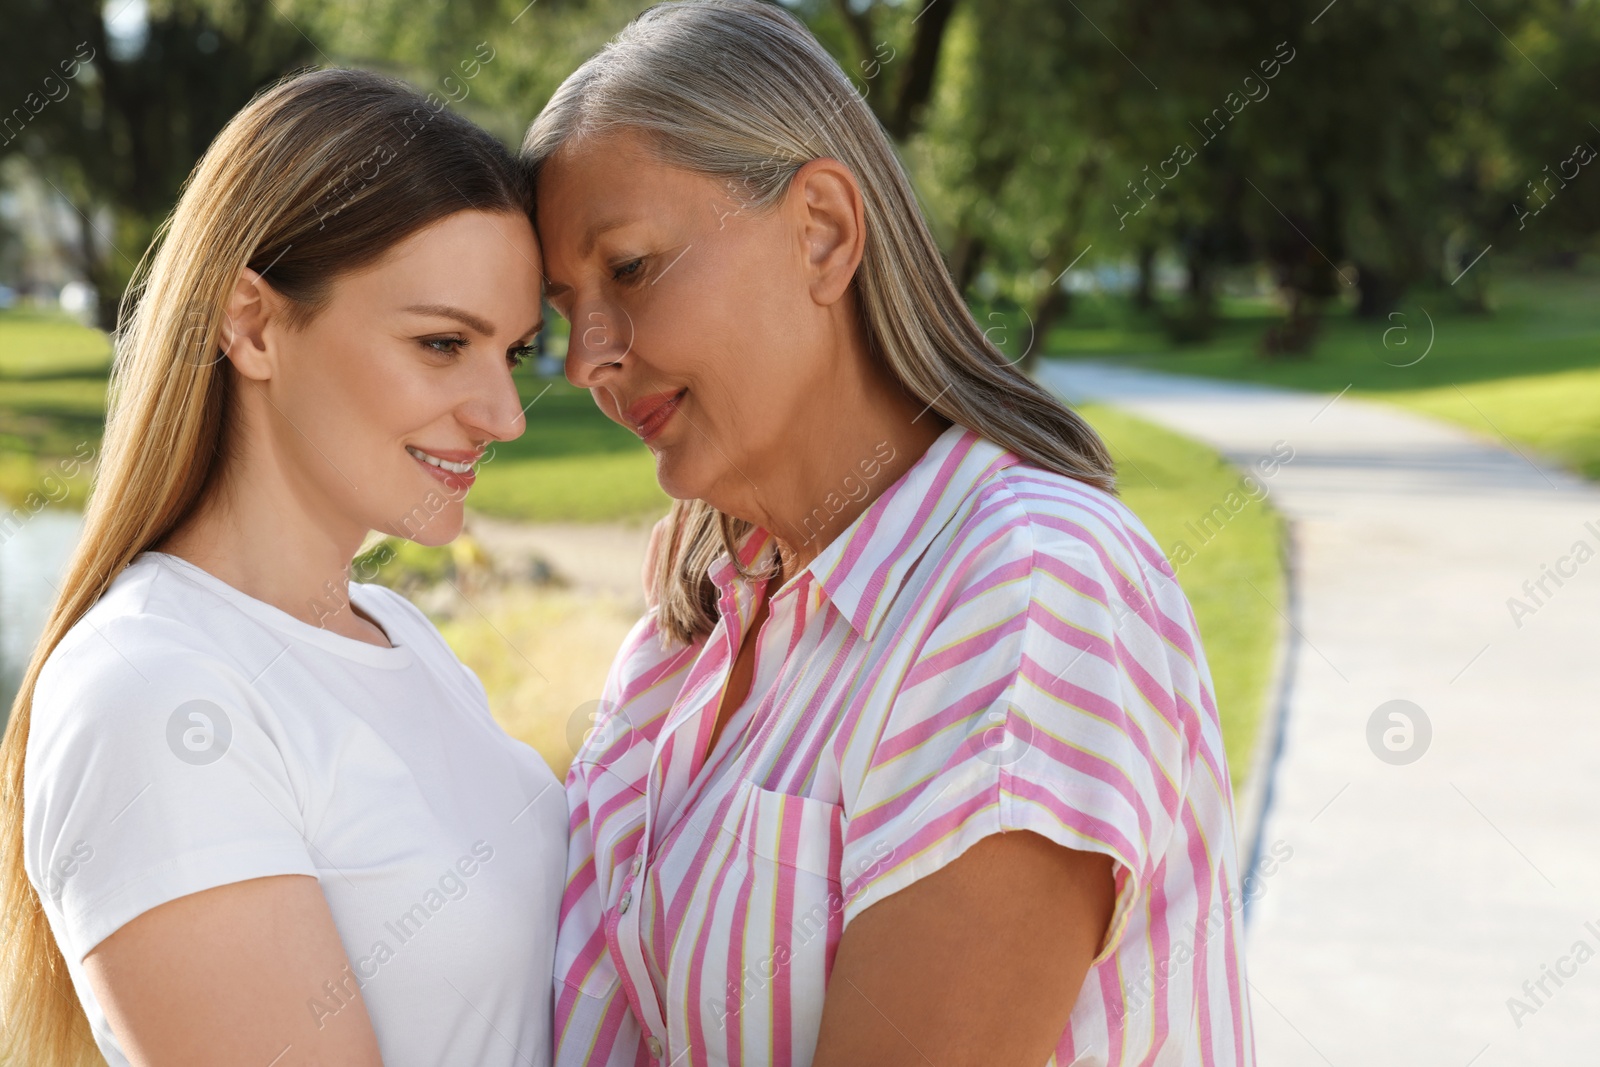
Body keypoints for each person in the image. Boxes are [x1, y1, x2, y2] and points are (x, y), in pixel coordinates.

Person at [525, 2, 1255, 1064]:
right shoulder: (675, 651)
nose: (587, 353)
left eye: (630, 269)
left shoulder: (1031, 589)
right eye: (562, 307)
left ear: (821, 229)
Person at [0, 69, 566, 1067]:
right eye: (442, 343)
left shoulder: (405, 639)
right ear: (252, 323)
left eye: (513, 354)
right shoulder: (153, 692)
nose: (504, 415)